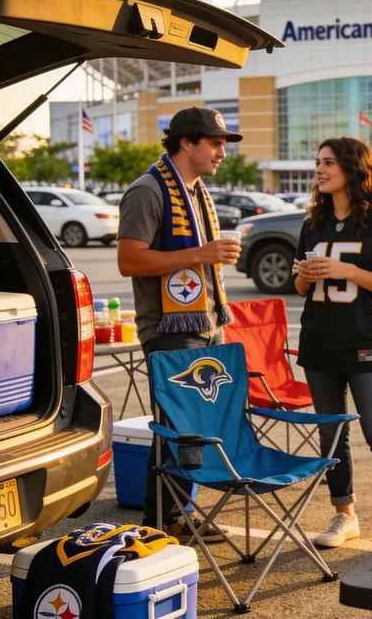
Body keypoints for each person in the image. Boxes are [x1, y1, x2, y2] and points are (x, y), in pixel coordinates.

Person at [117, 107, 241, 541]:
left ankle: (179, 514)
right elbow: (129, 260)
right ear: (187, 143)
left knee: (195, 430)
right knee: (176, 430)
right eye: (215, 142)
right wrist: (201, 255)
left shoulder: (196, 190)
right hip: (169, 330)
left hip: (204, 322)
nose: (222, 151)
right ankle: (161, 521)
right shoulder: (148, 190)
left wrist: (209, 260)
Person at [293, 137, 372, 546]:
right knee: (332, 435)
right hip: (319, 343)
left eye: (329, 162)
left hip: (367, 340)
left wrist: (347, 270)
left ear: (353, 168)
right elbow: (298, 286)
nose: (320, 170)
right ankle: (344, 514)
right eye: (318, 163)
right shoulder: (312, 222)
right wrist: (307, 277)